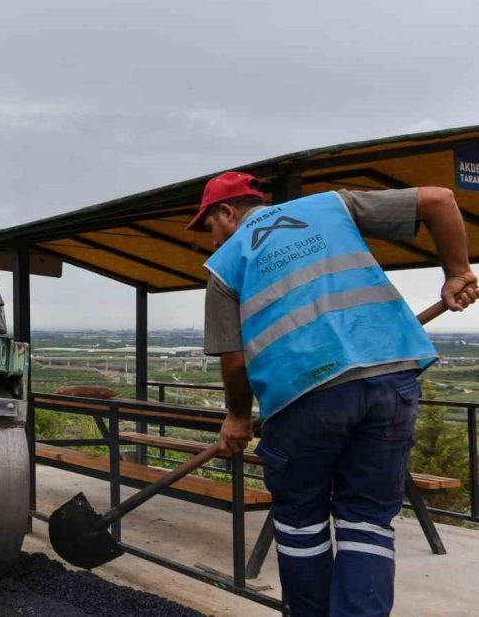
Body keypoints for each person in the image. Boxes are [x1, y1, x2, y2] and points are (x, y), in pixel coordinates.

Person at [187, 171, 477, 617]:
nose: (211, 240)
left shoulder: (226, 265)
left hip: (305, 400)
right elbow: (439, 199)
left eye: (209, 227)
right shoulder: (330, 206)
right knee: (367, 521)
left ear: (226, 212)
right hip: (390, 380)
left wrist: (238, 417)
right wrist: (457, 272)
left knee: (301, 521)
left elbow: (235, 361)